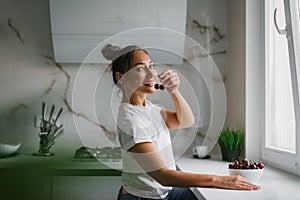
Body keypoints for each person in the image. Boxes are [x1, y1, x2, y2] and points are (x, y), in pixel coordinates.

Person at [101, 44, 260, 200]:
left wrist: (174, 90)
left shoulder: (148, 109)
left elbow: (185, 120)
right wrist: (218, 180)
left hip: (164, 192)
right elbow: (163, 176)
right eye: (140, 68)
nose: (152, 73)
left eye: (152, 66)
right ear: (121, 78)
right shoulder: (131, 121)